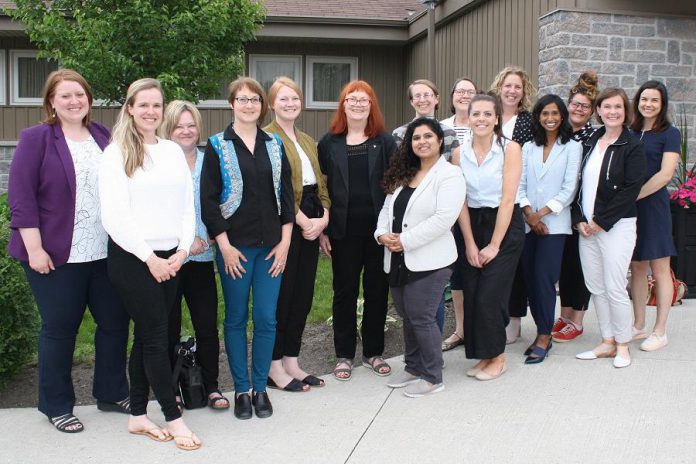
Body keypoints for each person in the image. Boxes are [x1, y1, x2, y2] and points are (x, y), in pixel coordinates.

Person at [7, 69, 130, 434]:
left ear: (89, 99)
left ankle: (111, 392)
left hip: (104, 253)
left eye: (80, 94)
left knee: (114, 324)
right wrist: (35, 249)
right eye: (65, 96)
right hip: (55, 255)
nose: (74, 101)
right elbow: (22, 199)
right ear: (51, 102)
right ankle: (56, 404)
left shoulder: (104, 135)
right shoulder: (37, 139)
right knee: (61, 329)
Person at [99, 78, 201, 449]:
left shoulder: (172, 151)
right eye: (143, 105)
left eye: (156, 105)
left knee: (146, 337)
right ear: (129, 108)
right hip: (133, 259)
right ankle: (174, 419)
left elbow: (186, 205)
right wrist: (149, 259)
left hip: (172, 258)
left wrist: (181, 251)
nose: (150, 111)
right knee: (158, 338)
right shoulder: (116, 154)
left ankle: (138, 415)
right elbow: (114, 216)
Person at [201, 77, 294, 419]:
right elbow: (209, 202)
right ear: (232, 104)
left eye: (255, 100)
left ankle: (260, 388)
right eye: (242, 99)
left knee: (267, 319)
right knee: (237, 319)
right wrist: (223, 246)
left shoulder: (274, 144)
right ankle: (241, 389)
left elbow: (286, 198)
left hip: (271, 248)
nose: (249, 105)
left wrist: (285, 243)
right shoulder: (217, 145)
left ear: (261, 105)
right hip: (235, 250)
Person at [377, 117, 466, 397]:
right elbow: (387, 209)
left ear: (440, 141)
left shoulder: (449, 174)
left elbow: (443, 219)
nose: (422, 142)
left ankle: (432, 376)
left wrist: (404, 240)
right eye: (416, 138)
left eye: (428, 136)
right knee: (407, 315)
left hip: (431, 259)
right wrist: (381, 235)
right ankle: (413, 367)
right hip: (399, 257)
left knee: (422, 316)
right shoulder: (406, 173)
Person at [318, 80, 396, 381]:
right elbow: (321, 188)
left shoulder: (385, 142)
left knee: (377, 291)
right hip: (343, 230)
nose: (358, 104)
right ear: (343, 105)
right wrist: (324, 228)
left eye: (364, 99)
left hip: (378, 232)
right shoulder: (329, 143)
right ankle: (344, 355)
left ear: (371, 105)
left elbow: (396, 185)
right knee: (344, 292)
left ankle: (374, 352)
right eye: (352, 99)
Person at [159, 101, 228, 409]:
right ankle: (170, 389)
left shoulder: (209, 162)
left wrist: (212, 237)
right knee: (168, 325)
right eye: (179, 126)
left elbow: (227, 201)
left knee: (206, 323)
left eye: (191, 125)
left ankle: (211, 386)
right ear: (167, 129)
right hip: (168, 260)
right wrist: (184, 242)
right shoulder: (158, 163)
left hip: (201, 260)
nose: (186, 131)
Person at [263, 77, 331, 391]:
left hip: (313, 217)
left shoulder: (306, 139)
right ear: (272, 103)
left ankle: (292, 360)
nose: (290, 104)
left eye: (295, 99)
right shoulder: (267, 139)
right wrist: (304, 221)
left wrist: (324, 217)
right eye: (283, 99)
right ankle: (273, 365)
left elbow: (320, 183)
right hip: (286, 225)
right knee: (283, 296)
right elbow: (277, 191)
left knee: (303, 296)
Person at [451, 94, 523, 381]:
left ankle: (499, 357)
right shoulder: (459, 153)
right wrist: (469, 242)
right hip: (471, 223)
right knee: (473, 294)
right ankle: (484, 355)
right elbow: (461, 201)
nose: (481, 119)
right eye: (475, 114)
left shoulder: (510, 149)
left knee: (490, 295)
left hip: (503, 226)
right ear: (468, 118)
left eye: (486, 114)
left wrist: (494, 245)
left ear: (496, 119)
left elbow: (508, 200)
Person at [573, 88, 646, 368]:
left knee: (615, 286)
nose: (612, 111)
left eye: (618, 107)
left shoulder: (632, 145)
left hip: (616, 227)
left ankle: (623, 344)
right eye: (607, 107)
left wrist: (601, 222)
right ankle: (606, 341)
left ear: (625, 111)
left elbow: (631, 189)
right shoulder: (591, 140)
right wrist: (579, 218)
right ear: (599, 111)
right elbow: (578, 184)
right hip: (586, 228)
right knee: (596, 286)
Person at [393, 79, 460, 336]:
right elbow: (397, 177)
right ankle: (418, 350)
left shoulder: (449, 134)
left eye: (427, 95)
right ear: (411, 102)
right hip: (409, 216)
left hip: (438, 218)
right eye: (417, 96)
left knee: (433, 286)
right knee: (411, 284)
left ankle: (435, 343)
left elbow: (454, 173)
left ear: (437, 98)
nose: (422, 100)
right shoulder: (399, 135)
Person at [518, 94, 581, 363]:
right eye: (545, 113)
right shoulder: (528, 147)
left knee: (544, 279)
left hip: (554, 225)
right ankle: (540, 330)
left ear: (562, 115)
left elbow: (569, 189)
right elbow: (519, 184)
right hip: (527, 223)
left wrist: (541, 214)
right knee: (530, 281)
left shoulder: (572, 147)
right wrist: (530, 214)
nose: (550, 118)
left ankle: (545, 335)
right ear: (538, 117)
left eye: (555, 113)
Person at [629, 81, 680, 351]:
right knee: (637, 266)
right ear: (638, 101)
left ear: (662, 105)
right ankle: (638, 325)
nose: (648, 104)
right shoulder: (631, 131)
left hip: (654, 206)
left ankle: (660, 331)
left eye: (654, 100)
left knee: (660, 269)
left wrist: (634, 195)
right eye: (644, 99)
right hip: (631, 210)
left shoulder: (669, 134)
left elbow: (665, 174)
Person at [489, 65, 537, 343]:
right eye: (508, 85)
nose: (512, 90)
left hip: (516, 199)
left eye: (517, 86)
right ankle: (491, 317)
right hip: (487, 200)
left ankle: (514, 319)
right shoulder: (488, 116)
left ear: (524, 91)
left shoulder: (528, 122)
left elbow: (529, 165)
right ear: (499, 87)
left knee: (514, 263)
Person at [553, 70, 599, 343]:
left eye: (585, 106)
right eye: (575, 104)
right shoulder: (559, 134)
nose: (579, 109)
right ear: (568, 105)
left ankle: (577, 320)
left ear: (591, 110)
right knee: (564, 265)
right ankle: (564, 314)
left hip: (582, 209)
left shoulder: (594, 137)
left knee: (580, 266)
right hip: (560, 210)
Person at [440, 77, 480, 352]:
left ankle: (482, 328)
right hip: (449, 209)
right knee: (456, 274)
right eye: (460, 91)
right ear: (452, 96)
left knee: (478, 268)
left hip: (479, 207)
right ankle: (461, 330)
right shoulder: (441, 127)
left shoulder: (483, 124)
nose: (464, 95)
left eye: (470, 92)